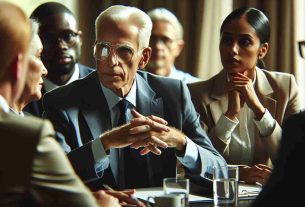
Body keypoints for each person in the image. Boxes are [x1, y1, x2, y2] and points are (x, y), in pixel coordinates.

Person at [43, 5, 226, 191]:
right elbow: (53, 177)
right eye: (103, 48)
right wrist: (105, 143)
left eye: (124, 50)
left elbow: (220, 171)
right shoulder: (61, 102)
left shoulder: (173, 94)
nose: (111, 61)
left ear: (144, 57)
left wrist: (180, 141)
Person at [0, 2, 120, 206]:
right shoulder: (28, 135)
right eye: (39, 56)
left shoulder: (105, 87)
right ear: (17, 66)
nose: (44, 69)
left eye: (68, 36)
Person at [188, 7, 301, 185]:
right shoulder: (196, 94)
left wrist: (258, 109)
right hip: (218, 196)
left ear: (262, 50)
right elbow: (195, 162)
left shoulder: (285, 87)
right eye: (226, 40)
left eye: (245, 42)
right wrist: (230, 115)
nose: (232, 49)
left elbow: (295, 158)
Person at [24, 2, 94, 117]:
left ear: (80, 39)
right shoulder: (22, 96)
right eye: (49, 38)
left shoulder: (102, 87)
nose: (61, 46)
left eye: (68, 36)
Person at [146, 8, 200, 83]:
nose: (158, 46)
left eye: (166, 40)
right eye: (152, 38)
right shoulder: (129, 85)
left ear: (178, 48)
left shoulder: (192, 88)